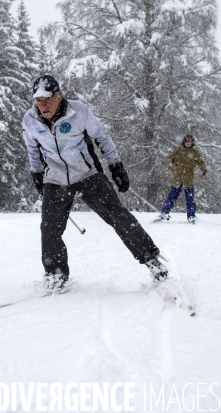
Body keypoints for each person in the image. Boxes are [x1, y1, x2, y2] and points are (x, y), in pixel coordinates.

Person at [22, 75, 168, 293]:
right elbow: (33, 150)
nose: (43, 106)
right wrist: (36, 174)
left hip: (88, 174)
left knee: (118, 216)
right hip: (56, 178)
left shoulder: (79, 111)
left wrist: (116, 165)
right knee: (50, 227)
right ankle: (56, 275)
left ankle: (152, 260)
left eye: (47, 100)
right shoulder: (29, 120)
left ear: (59, 96)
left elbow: (102, 137)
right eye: (38, 101)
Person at [158, 134, 207, 223]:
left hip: (189, 179)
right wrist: (170, 162)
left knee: (190, 199)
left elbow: (200, 162)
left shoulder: (195, 152)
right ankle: (164, 213)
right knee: (172, 197)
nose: (188, 143)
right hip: (178, 178)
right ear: (184, 142)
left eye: (190, 142)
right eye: (187, 141)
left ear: (192, 143)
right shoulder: (178, 150)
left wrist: (204, 170)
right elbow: (169, 158)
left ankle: (191, 216)